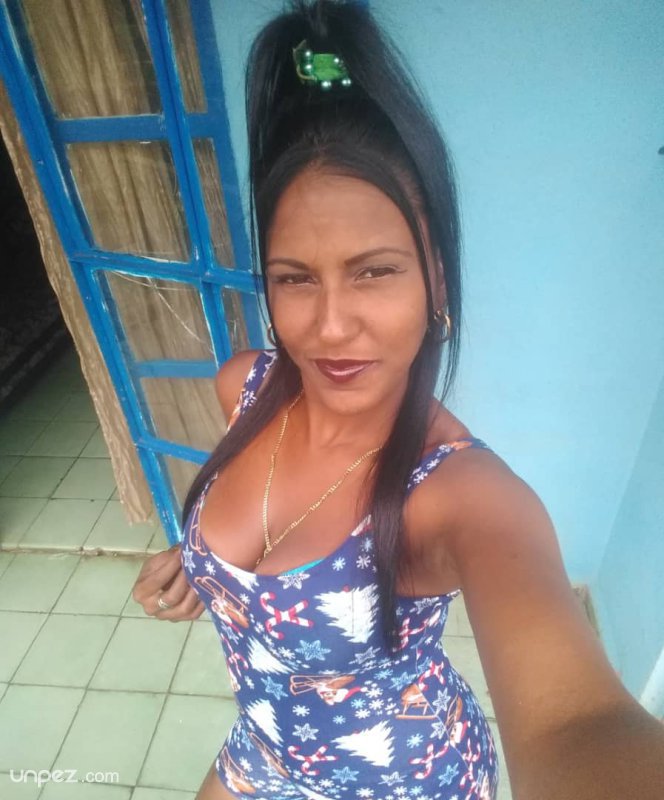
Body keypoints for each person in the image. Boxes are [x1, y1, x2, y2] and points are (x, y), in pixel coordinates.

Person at [132, 2, 664, 799]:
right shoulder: (244, 386)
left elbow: (576, 726)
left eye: (374, 271)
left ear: (436, 281)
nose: (330, 326)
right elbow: (265, 537)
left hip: (408, 776)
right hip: (265, 749)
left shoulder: (459, 494)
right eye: (295, 279)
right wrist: (203, 566)